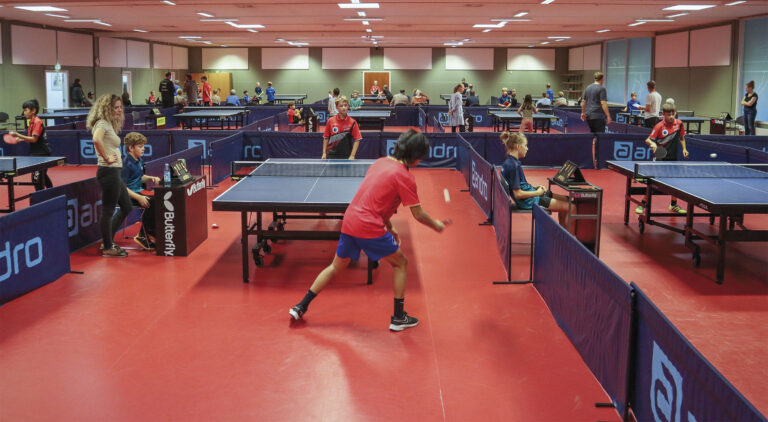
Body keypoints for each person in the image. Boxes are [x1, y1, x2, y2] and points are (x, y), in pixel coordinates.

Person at [289, 129, 448, 331]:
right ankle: (398, 318)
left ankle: (301, 306)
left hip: (350, 219)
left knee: (335, 267)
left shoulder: (381, 162)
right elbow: (418, 214)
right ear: (416, 158)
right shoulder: (406, 177)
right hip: (368, 225)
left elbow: (379, 199)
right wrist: (437, 225)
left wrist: (389, 226)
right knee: (401, 263)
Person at [87, 94, 131, 258]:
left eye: (120, 107)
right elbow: (96, 139)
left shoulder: (109, 124)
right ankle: (107, 247)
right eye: (115, 107)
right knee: (108, 211)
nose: (119, 110)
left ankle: (107, 241)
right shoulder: (102, 123)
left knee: (126, 206)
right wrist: (106, 157)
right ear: (107, 108)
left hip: (114, 172)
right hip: (108, 171)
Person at [500, 132, 572, 227]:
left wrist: (536, 188)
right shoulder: (513, 166)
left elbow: (522, 185)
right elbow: (518, 194)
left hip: (531, 196)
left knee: (568, 200)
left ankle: (564, 234)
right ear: (518, 146)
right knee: (571, 207)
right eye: (525, 145)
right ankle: (570, 239)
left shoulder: (511, 162)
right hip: (530, 201)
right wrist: (537, 192)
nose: (527, 148)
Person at [636, 103, 690, 214]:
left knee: (675, 183)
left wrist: (684, 149)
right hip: (660, 157)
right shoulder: (659, 126)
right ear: (663, 114)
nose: (671, 116)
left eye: (673, 114)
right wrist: (653, 144)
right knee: (652, 182)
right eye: (668, 114)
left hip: (673, 157)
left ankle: (673, 205)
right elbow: (648, 140)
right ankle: (643, 203)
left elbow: (681, 137)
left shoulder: (679, 124)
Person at [121, 132, 161, 250]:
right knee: (153, 201)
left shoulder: (138, 160)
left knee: (160, 198)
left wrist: (150, 178)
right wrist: (138, 197)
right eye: (140, 146)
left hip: (138, 191)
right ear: (131, 148)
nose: (143, 149)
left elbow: (139, 177)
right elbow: (122, 187)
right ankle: (144, 235)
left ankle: (150, 232)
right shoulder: (125, 164)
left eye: (143, 146)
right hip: (128, 195)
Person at [7, 99, 53, 191]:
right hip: (36, 154)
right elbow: (30, 138)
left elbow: (34, 139)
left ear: (33, 111)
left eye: (25, 110)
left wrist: (18, 134)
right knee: (42, 175)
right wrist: (20, 139)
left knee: (37, 179)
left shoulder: (37, 122)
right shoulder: (31, 122)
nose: (24, 112)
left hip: (42, 154)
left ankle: (40, 198)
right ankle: (52, 193)